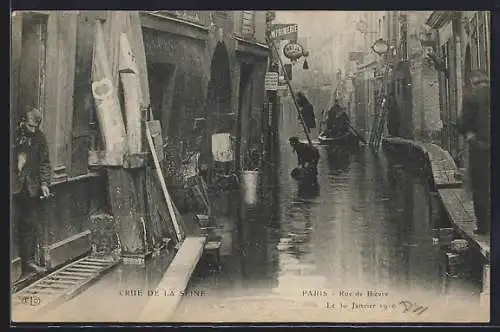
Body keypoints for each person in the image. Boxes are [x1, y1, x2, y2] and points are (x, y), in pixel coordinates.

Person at [12, 108, 52, 276]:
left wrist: (44, 183)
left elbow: (44, 162)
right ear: (23, 122)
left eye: (36, 126)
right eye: (30, 126)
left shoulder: (40, 137)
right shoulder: (14, 136)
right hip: (14, 187)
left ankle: (28, 262)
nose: (33, 130)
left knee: (29, 224)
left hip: (31, 188)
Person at [458, 70, 490, 235]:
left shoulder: (471, 97)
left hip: (480, 148)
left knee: (481, 187)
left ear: (473, 81)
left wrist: (470, 136)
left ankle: (484, 227)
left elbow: (462, 124)